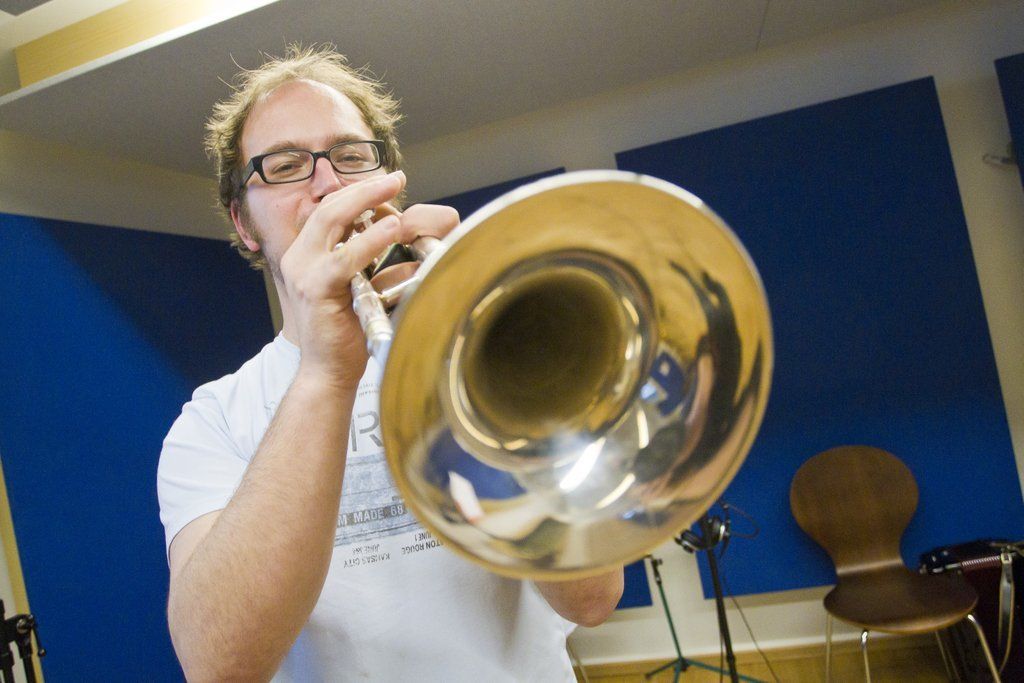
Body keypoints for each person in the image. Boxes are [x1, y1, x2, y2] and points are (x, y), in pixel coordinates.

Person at [157, 45, 624, 682]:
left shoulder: (470, 354)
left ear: (388, 185)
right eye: (286, 165)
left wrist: (486, 351)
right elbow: (220, 666)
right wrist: (326, 374)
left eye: (351, 156)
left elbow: (592, 598)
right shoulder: (213, 420)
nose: (328, 185)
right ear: (244, 222)